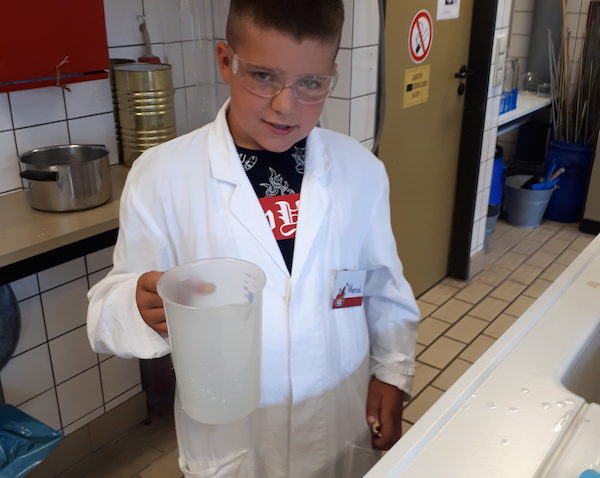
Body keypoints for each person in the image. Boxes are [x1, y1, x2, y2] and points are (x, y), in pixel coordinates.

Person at [87, 0, 419, 476]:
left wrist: (392, 371)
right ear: (226, 61)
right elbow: (108, 304)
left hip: (337, 418)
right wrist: (135, 305)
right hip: (234, 436)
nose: (286, 105)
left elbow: (383, 286)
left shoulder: (360, 170)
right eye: (263, 76)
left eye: (311, 83)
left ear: (332, 75)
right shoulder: (162, 176)